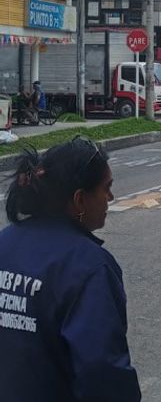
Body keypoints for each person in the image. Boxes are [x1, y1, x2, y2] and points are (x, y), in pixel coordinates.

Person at [0, 138, 142, 402]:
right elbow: (103, 375)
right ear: (79, 200)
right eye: (106, 188)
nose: (110, 198)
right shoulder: (89, 267)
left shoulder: (4, 243)